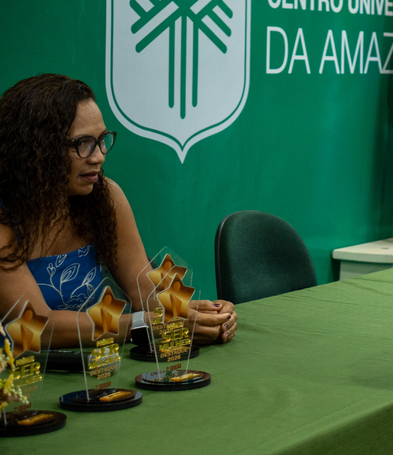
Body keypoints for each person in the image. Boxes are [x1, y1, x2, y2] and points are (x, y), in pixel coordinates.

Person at [0, 74, 237, 348]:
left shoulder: (105, 196)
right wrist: (141, 324)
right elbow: (37, 327)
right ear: (36, 150)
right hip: (19, 382)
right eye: (83, 144)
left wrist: (203, 313)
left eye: (102, 140)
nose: (99, 155)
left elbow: (145, 291)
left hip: (97, 371)